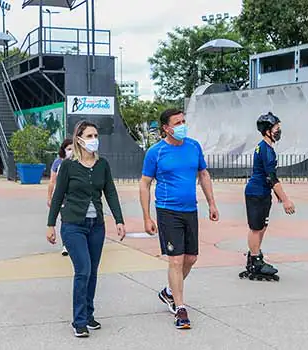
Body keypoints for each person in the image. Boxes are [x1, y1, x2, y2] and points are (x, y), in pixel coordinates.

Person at [139, 108, 219, 330]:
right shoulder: (156, 152)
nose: (183, 125)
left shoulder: (193, 146)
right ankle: (180, 308)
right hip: (167, 211)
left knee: (191, 258)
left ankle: (168, 292)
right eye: (178, 122)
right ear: (166, 128)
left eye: (184, 121)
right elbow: (145, 183)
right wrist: (147, 217)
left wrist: (212, 202)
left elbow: (203, 174)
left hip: (189, 210)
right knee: (175, 259)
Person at [47, 120, 126, 338]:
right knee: (83, 270)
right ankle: (79, 320)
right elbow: (58, 196)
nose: (94, 140)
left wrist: (119, 220)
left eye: (95, 136)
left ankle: (89, 315)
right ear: (79, 139)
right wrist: (51, 224)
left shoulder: (102, 165)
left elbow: (110, 192)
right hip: (73, 225)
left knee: (92, 272)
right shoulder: (69, 165)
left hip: (96, 226)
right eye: (89, 136)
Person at [241, 112, 295, 281]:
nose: (279, 131)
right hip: (256, 193)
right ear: (267, 131)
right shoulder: (266, 150)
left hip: (262, 193)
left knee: (262, 226)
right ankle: (255, 261)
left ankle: (254, 256)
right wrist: (285, 199)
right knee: (256, 228)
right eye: (276, 128)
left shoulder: (265, 148)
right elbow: (271, 177)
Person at [47, 138, 73, 257]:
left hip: (74, 195)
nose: (71, 151)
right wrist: (49, 197)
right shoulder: (58, 162)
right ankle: (66, 244)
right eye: (68, 149)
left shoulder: (78, 162)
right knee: (65, 219)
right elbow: (52, 181)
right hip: (61, 196)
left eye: (73, 149)